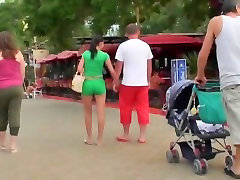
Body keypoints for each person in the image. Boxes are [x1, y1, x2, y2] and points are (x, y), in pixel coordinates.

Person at [195, 0, 240, 178]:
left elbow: (204, 52)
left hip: (233, 81)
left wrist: (200, 74)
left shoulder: (217, 21)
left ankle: (238, 169)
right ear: (236, 8)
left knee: (238, 124)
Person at [114, 24, 153, 143]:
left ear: (126, 34)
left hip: (127, 83)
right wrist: (148, 80)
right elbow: (149, 64)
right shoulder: (145, 46)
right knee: (143, 107)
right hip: (142, 83)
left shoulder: (123, 47)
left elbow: (118, 66)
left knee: (125, 107)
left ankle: (126, 134)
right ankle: (142, 136)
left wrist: (116, 81)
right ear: (138, 32)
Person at [78, 35, 117, 146]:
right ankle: (99, 140)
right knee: (101, 112)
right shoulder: (104, 55)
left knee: (87, 112)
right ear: (100, 44)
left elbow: (79, 69)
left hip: (87, 83)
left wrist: (85, 71)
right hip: (99, 83)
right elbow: (112, 71)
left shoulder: (85, 54)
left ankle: (89, 137)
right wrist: (116, 82)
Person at [0, 31, 25, 153]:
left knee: (2, 115)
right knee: (15, 114)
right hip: (16, 87)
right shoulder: (18, 53)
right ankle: (13, 145)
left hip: (1, 88)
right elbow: (22, 73)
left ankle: (2, 143)